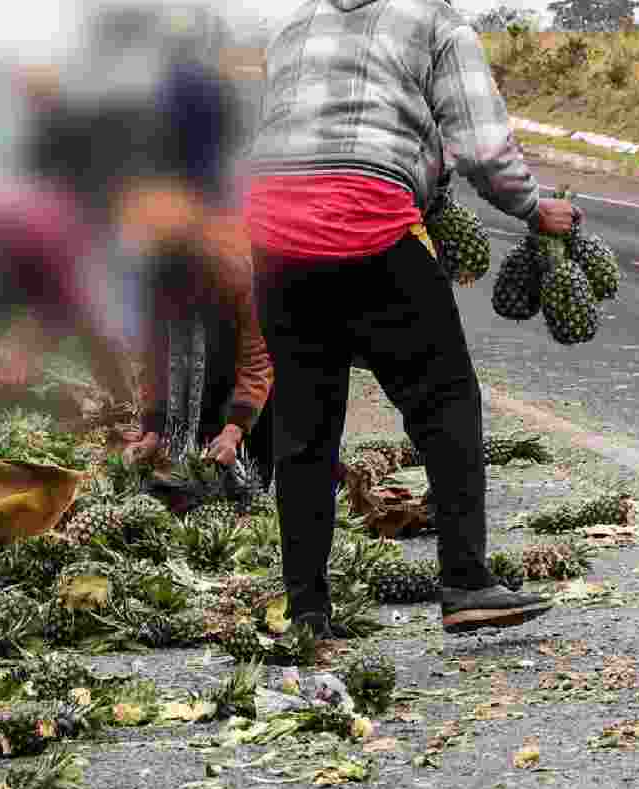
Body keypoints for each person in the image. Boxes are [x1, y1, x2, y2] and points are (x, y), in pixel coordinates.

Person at [244, 0, 578, 638]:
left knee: (304, 425)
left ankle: (308, 608)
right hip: (367, 220)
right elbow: (482, 147)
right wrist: (534, 209)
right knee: (445, 400)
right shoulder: (435, 22)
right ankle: (465, 579)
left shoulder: (291, 25)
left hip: (272, 232)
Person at [121, 207, 276, 494]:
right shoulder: (154, 285)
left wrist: (234, 430)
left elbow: (257, 360)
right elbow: (151, 360)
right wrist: (153, 429)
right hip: (188, 393)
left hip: (238, 393)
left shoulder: (239, 273)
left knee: (241, 486)